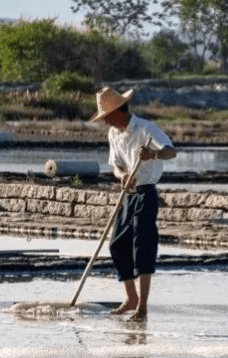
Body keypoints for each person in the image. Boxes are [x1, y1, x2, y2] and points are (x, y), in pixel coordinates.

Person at [90, 86, 176, 322]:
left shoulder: (146, 128)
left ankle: (143, 308)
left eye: (107, 116)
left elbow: (170, 151)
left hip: (147, 193)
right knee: (117, 244)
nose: (106, 121)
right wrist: (122, 176)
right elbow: (115, 165)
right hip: (129, 194)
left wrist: (153, 155)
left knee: (142, 247)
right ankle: (131, 298)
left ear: (118, 110)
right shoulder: (113, 134)